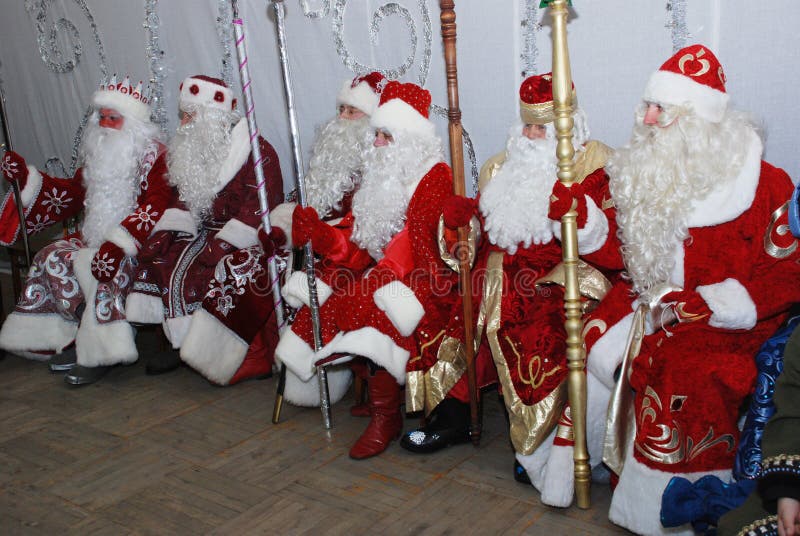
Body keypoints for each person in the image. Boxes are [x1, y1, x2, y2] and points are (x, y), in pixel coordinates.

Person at [552, 44, 800, 534]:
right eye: (646, 105)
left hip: (728, 321)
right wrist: (582, 219)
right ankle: (595, 466)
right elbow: (618, 251)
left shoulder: (765, 185)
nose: (644, 118)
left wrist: (721, 302)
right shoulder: (640, 167)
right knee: (592, 341)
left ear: (697, 117)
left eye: (659, 108)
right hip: (648, 301)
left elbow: (787, 273)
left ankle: (672, 507)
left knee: (683, 365)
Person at [399, 74, 616, 478]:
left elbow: (610, 243)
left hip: (557, 276)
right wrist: (462, 225)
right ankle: (455, 417)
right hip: (495, 272)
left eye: (542, 128)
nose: (533, 135)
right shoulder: (501, 167)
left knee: (539, 332)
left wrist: (580, 217)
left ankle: (543, 445)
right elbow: (481, 225)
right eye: (528, 126)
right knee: (447, 307)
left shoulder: (594, 163)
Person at [275, 80, 458, 459]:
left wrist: (380, 276)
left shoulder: (434, 176)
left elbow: (423, 251)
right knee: (336, 291)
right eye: (376, 134)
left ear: (407, 138)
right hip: (386, 270)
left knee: (374, 310)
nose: (375, 143)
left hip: (427, 277)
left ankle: (384, 417)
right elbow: (357, 243)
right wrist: (322, 235)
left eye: (384, 136)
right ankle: (369, 391)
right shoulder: (381, 175)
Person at [0, 75, 171, 385]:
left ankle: (101, 352)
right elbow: (69, 194)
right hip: (93, 237)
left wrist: (119, 243)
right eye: (101, 117)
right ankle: (80, 336)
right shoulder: (98, 155)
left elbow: (156, 208)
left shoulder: (154, 158)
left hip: (138, 246)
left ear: (133, 123)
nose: (105, 124)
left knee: (105, 268)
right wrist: (26, 178)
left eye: (114, 118)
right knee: (50, 257)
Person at [124, 75, 284, 385]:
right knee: (165, 258)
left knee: (221, 268)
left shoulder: (257, 152)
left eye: (189, 115)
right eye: (183, 114)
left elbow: (260, 207)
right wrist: (167, 232)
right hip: (203, 231)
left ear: (213, 117)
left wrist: (226, 243)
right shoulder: (194, 149)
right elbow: (180, 196)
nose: (182, 122)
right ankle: (181, 343)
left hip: (248, 238)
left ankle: (244, 354)